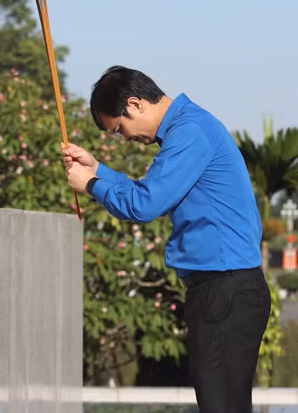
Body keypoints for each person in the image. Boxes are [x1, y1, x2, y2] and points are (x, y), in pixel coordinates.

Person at [61, 66, 269, 413]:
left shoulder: (190, 132)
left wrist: (91, 185)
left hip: (226, 291)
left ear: (135, 104)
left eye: (118, 129)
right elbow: (150, 192)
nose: (124, 138)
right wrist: (98, 169)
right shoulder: (188, 128)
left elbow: (145, 205)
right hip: (221, 291)